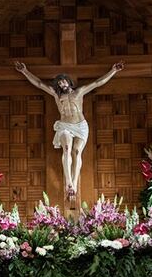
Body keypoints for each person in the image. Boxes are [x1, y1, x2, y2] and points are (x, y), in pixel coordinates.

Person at [15, 60, 124, 201]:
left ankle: (74, 182)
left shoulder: (79, 91)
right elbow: (40, 84)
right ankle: (69, 182)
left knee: (76, 151)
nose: (62, 84)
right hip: (65, 126)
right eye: (59, 83)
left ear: (68, 81)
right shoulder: (57, 95)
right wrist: (24, 71)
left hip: (80, 126)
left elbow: (98, 83)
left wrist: (113, 70)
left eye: (63, 81)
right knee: (67, 148)